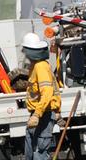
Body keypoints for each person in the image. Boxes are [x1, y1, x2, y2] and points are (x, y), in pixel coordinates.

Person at [23, 32, 60, 160]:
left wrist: (37, 114)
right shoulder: (34, 66)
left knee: (40, 153)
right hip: (38, 114)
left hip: (43, 115)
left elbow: (47, 92)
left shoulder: (41, 66)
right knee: (30, 152)